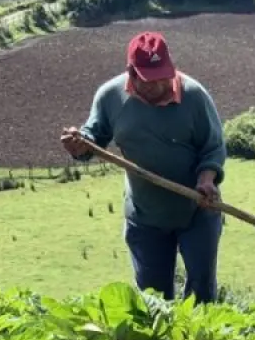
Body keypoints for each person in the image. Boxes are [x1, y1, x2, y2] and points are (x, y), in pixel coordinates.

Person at [60, 31, 228, 303]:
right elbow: (92, 138)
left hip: (197, 209)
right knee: (153, 300)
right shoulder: (110, 97)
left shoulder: (194, 96)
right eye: (151, 79)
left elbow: (214, 147)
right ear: (132, 73)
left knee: (202, 294)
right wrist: (80, 144)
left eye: (163, 75)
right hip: (145, 216)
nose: (159, 85)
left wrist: (206, 180)